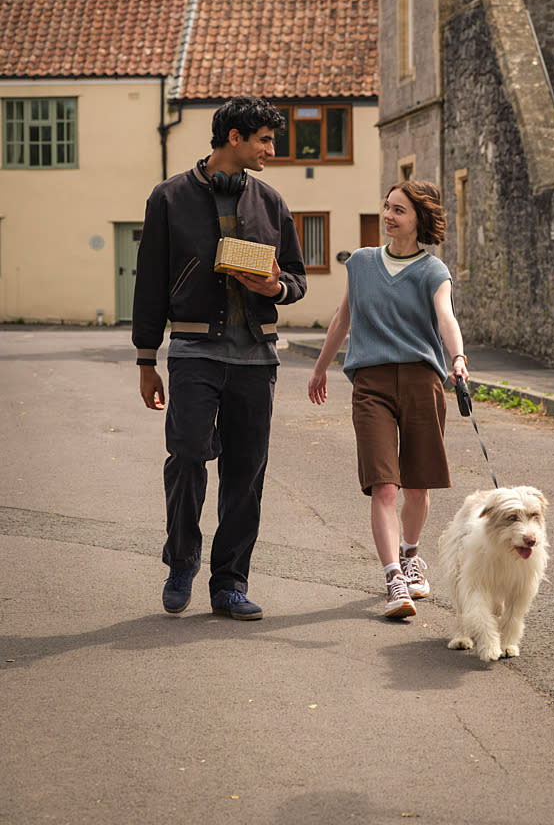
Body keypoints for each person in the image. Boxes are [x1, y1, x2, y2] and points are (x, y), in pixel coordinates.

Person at [133, 96, 306, 620]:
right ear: (234, 137)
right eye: (264, 140)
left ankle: (229, 581)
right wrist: (146, 359)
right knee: (186, 456)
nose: (271, 151)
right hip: (192, 352)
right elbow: (150, 283)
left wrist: (274, 285)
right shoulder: (168, 198)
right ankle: (181, 560)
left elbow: (297, 279)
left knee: (246, 472)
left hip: (257, 356)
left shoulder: (272, 201)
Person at [307, 180, 469, 618]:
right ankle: (394, 577)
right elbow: (344, 317)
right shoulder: (360, 263)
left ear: (418, 218)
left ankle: (411, 556)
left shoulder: (433, 270)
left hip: (422, 382)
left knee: (416, 487)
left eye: (399, 209)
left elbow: (446, 316)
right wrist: (322, 366)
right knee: (384, 485)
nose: (389, 216)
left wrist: (457, 357)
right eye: (387, 207)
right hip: (371, 385)